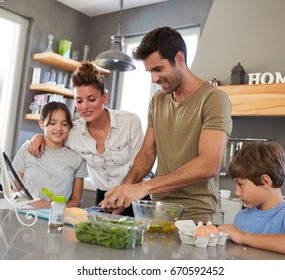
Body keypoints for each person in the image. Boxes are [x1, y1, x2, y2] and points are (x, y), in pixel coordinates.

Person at [100, 26, 233, 224]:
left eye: (158, 69)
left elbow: (209, 164)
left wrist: (145, 187)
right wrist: (125, 190)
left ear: (179, 59)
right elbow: (147, 153)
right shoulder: (158, 100)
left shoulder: (213, 99)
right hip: (159, 211)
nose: (154, 78)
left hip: (196, 215)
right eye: (150, 71)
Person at [27, 61, 145, 215]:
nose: (85, 107)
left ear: (104, 97)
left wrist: (119, 209)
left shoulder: (129, 122)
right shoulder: (73, 132)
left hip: (135, 196)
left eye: (91, 99)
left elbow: (141, 166)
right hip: (104, 200)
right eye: (79, 101)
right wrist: (38, 137)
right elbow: (53, 138)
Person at [218, 142, 285, 259]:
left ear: (265, 181)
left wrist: (244, 237)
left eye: (241, 185)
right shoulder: (242, 216)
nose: (237, 192)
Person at [13, 101, 87, 208]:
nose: (59, 128)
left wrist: (57, 209)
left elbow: (77, 200)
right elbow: (16, 191)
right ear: (41, 123)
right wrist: (35, 202)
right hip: (25, 217)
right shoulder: (28, 149)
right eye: (53, 123)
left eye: (64, 124)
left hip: (56, 220)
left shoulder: (77, 157)